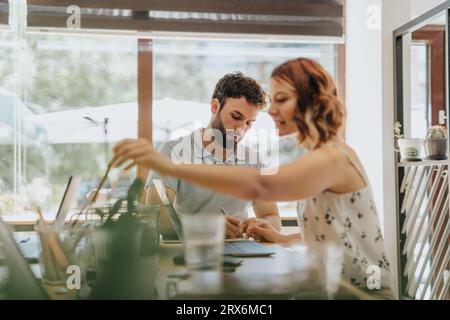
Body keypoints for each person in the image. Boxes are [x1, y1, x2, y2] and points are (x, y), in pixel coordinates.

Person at [112, 58, 392, 291]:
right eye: (238, 117)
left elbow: (260, 188)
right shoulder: (322, 155)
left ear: (310, 103)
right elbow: (329, 233)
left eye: (281, 99)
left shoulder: (331, 158)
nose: (271, 111)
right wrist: (281, 239)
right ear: (214, 107)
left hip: (361, 293)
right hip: (336, 287)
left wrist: (170, 167)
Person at [146, 72, 281, 239]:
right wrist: (207, 228)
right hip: (188, 253)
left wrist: (262, 225)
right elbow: (156, 217)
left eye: (248, 123)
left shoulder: (254, 160)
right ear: (215, 106)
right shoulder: (173, 151)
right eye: (236, 117)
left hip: (241, 254)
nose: (241, 129)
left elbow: (272, 216)